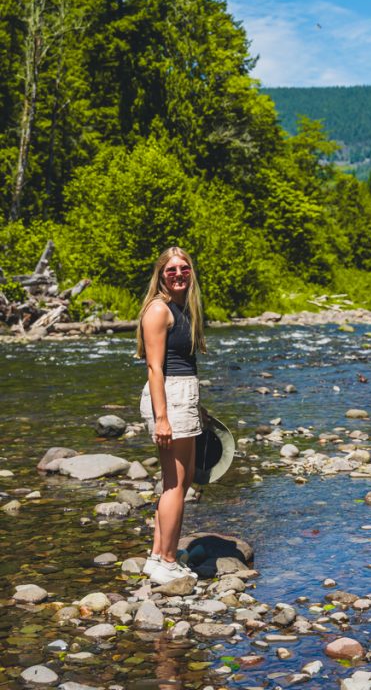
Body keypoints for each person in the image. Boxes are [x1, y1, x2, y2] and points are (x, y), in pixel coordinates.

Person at [137, 246, 206, 585]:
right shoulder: (158, 310)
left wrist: (197, 406)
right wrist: (162, 418)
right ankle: (167, 560)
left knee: (181, 480)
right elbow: (154, 367)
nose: (178, 274)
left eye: (184, 269)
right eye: (171, 270)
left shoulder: (183, 308)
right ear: (161, 275)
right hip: (169, 397)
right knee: (175, 485)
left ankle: (155, 556)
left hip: (183, 396)